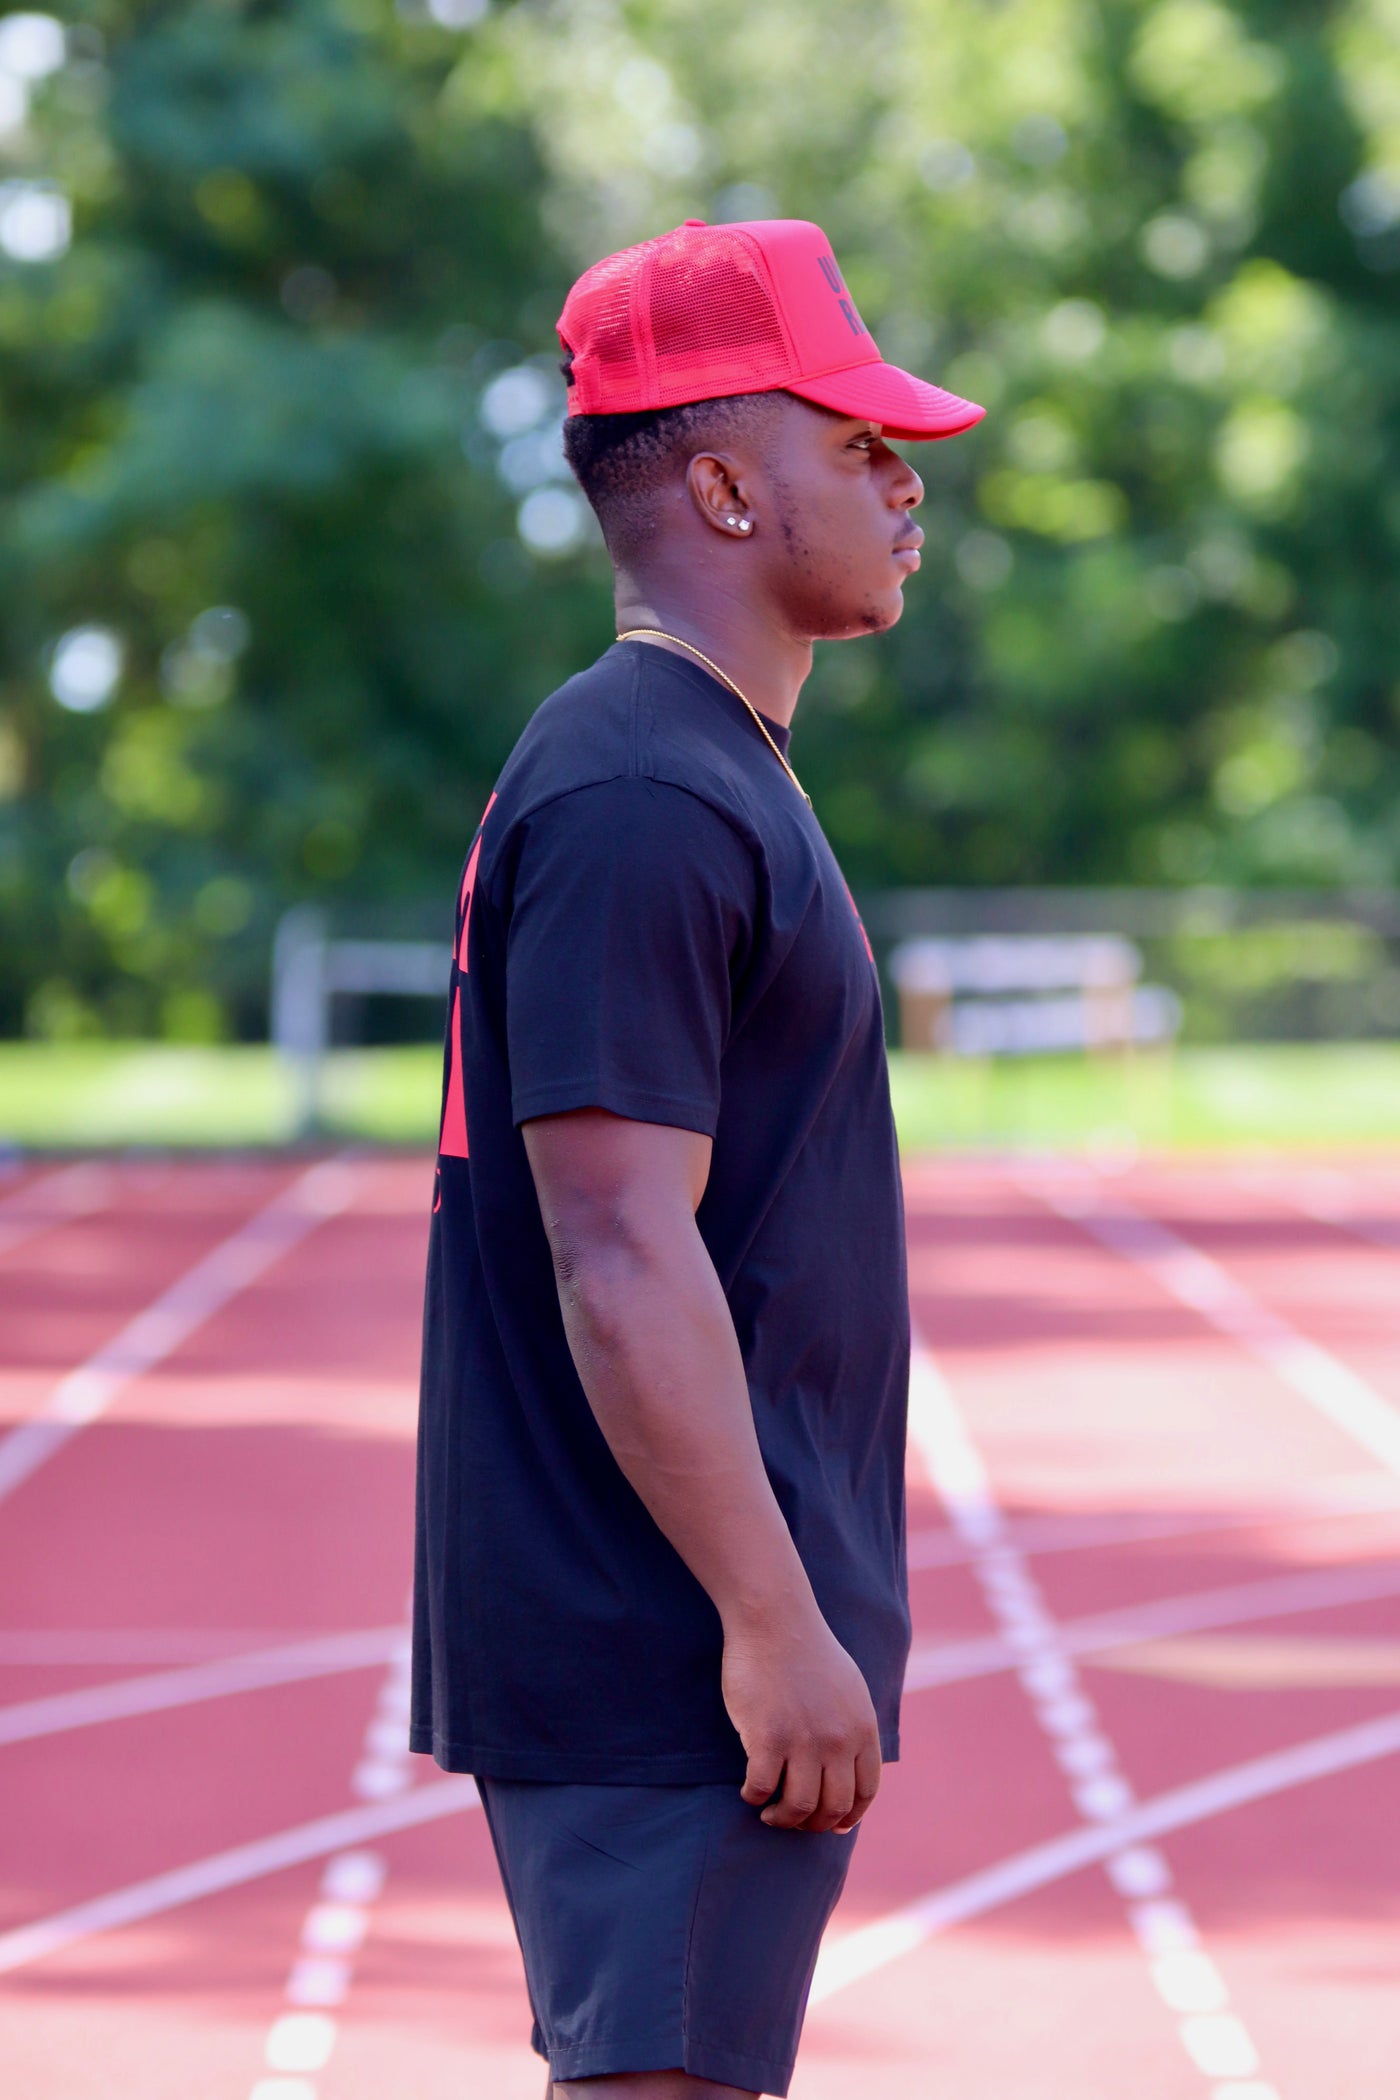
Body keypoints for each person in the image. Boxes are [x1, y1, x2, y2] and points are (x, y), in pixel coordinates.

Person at [411, 215, 984, 2100]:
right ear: (728, 483)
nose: (907, 480)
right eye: (857, 443)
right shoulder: (649, 786)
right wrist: (768, 1617)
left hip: (687, 1636)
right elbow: (615, 1248)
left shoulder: (694, 763)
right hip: (666, 1647)